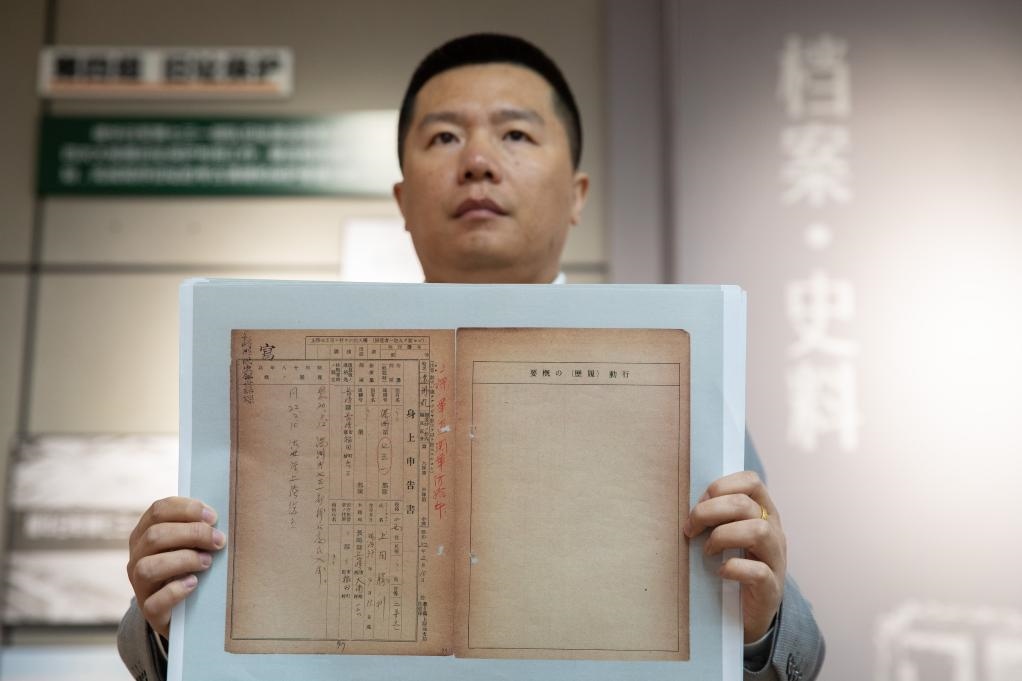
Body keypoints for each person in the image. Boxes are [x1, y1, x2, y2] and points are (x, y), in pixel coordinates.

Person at [119, 33, 824, 681]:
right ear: (403, 200)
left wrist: (757, 626)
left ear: (577, 194)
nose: (478, 162)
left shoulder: (684, 378)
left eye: (515, 134)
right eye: (445, 136)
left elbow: (802, 654)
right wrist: (168, 619)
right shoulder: (302, 385)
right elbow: (187, 630)